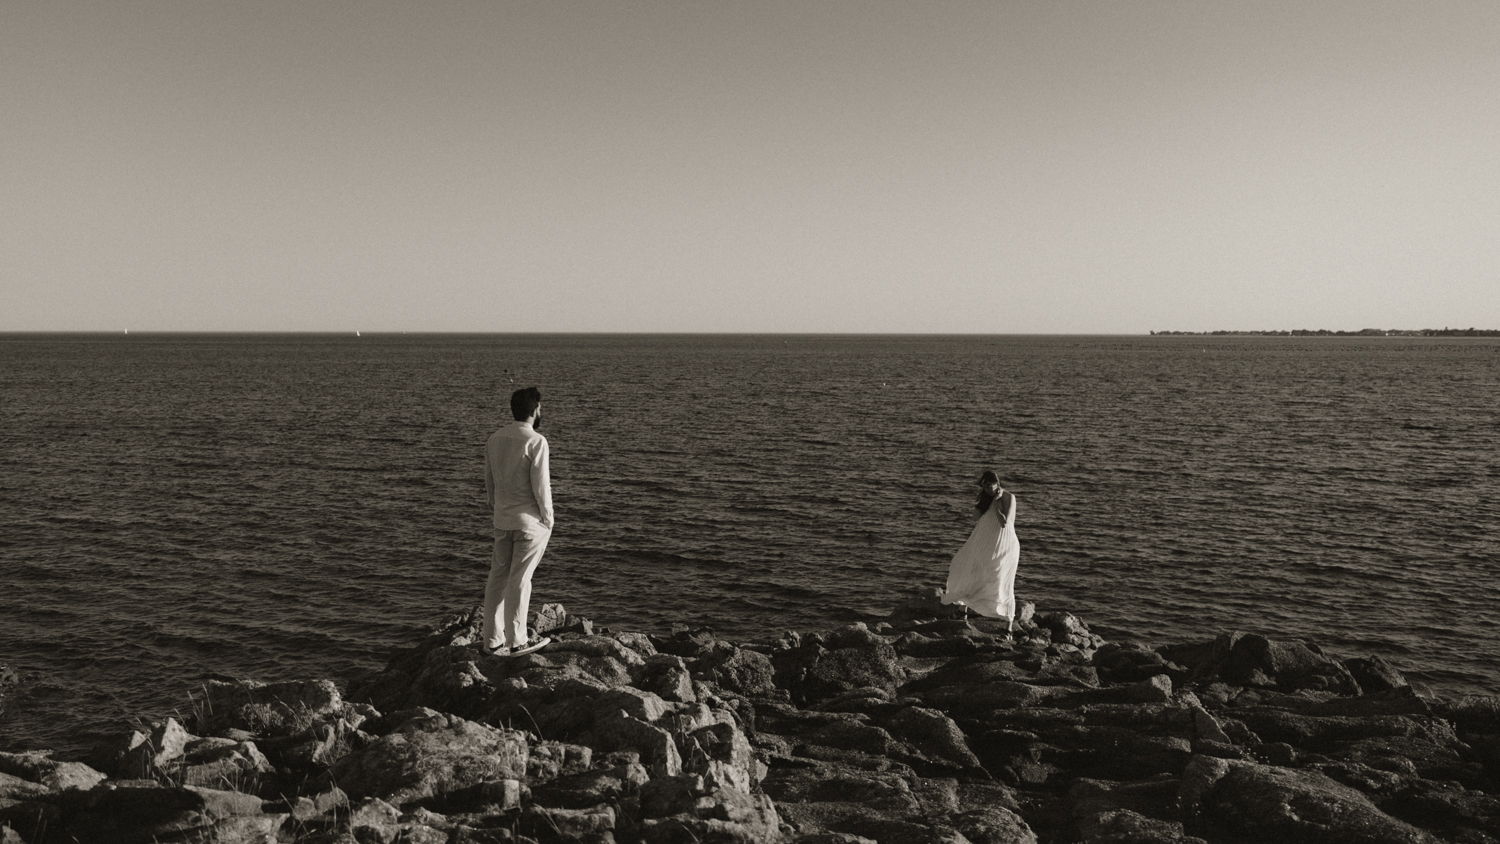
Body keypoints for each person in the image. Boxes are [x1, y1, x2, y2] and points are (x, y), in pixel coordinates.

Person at [481, 386, 553, 656]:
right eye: (540, 408)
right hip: (529, 524)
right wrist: (549, 519)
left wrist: (495, 505)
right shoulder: (536, 441)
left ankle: (492, 641)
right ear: (535, 410)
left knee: (497, 579)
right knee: (520, 580)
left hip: (503, 520)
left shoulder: (494, 439)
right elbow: (541, 487)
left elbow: (490, 481)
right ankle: (518, 641)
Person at [940, 470, 1020, 632]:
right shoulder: (986, 497)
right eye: (984, 487)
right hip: (983, 542)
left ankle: (1008, 628)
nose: (988, 489)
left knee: (1001, 580)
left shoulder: (1008, 498)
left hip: (1004, 545)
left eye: (990, 485)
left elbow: (1005, 523)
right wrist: (983, 501)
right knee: (967, 568)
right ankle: (962, 612)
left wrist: (997, 504)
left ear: (997, 483)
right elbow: (974, 518)